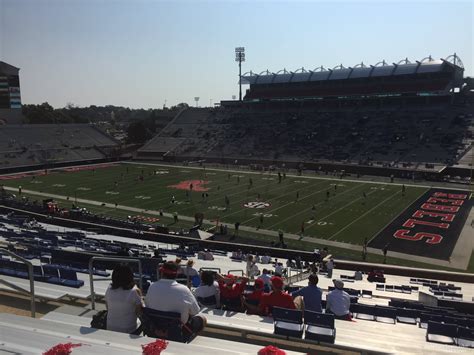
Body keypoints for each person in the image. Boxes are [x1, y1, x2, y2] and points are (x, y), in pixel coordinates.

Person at [145, 261, 206, 337]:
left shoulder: (152, 287)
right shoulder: (184, 290)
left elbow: (147, 306)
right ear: (177, 274)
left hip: (155, 329)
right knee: (202, 318)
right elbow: (195, 311)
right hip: (176, 332)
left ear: (162, 273)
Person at [105, 264, 143, 334]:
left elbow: (107, 307)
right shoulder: (135, 291)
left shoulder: (109, 288)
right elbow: (139, 313)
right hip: (128, 329)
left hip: (110, 327)